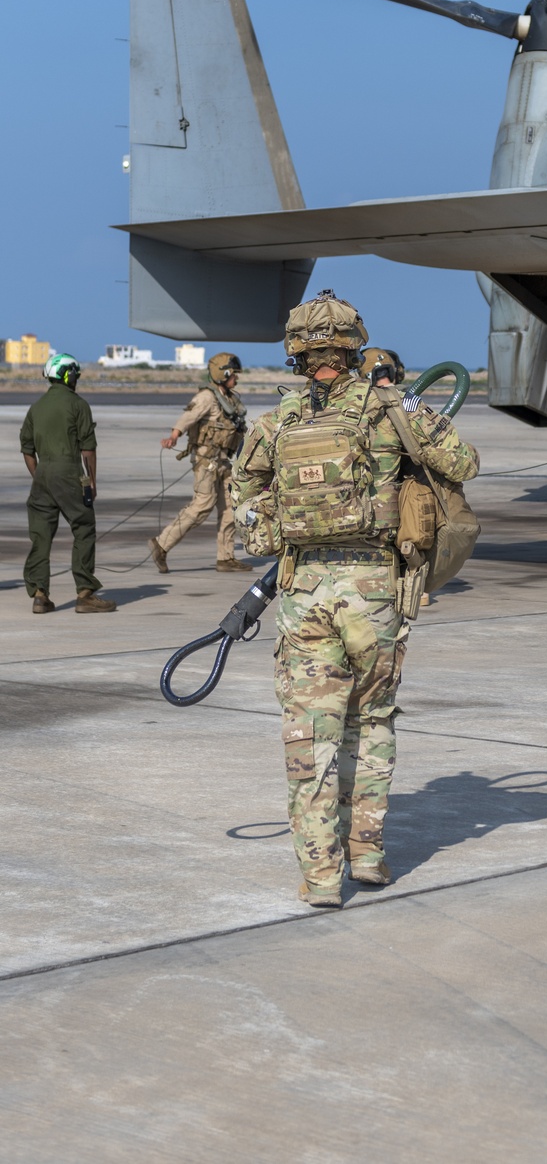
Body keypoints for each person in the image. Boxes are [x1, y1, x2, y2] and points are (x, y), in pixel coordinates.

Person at [230, 292, 479, 909]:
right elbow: (464, 462)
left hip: (304, 594)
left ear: (296, 352)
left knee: (311, 735)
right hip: (375, 596)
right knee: (371, 723)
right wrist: (403, 401)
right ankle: (367, 854)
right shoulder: (389, 409)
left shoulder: (276, 421)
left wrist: (275, 521)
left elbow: (243, 493)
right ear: (352, 345)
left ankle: (320, 877)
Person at [20, 353, 116, 615]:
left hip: (42, 476)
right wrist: (91, 483)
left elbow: (27, 449)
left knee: (41, 536)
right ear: (68, 375)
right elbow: (88, 450)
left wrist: (40, 475)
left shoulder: (36, 407)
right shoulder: (78, 405)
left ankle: (40, 595)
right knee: (84, 528)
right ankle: (85, 594)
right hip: (69, 472)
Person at [149, 353, 251, 574]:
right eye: (234, 375)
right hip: (206, 460)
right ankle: (162, 544)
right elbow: (188, 417)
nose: (237, 379)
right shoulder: (206, 397)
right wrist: (174, 436)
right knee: (203, 504)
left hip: (224, 460)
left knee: (230, 508)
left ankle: (226, 558)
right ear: (223, 373)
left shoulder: (230, 399)